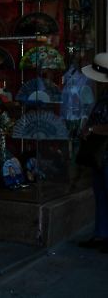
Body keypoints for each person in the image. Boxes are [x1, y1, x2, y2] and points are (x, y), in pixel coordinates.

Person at [78, 52, 108, 253]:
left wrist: (91, 130)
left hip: (105, 152)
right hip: (101, 154)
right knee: (101, 194)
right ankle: (101, 234)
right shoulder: (105, 93)